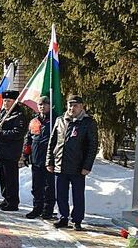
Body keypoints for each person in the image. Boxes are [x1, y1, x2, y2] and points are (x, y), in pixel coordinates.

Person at [46, 95, 99, 231]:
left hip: (78, 167)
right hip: (60, 164)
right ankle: (63, 217)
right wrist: (49, 161)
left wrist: (87, 166)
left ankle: (77, 220)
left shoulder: (88, 123)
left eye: (75, 106)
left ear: (81, 107)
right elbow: (52, 143)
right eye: (70, 105)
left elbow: (92, 146)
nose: (72, 108)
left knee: (78, 196)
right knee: (61, 195)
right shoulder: (60, 120)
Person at [0, 90, 28, 211]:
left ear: (14, 101)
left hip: (11, 152)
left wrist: (1, 132)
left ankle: (12, 202)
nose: (6, 103)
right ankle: (5, 198)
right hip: (2, 150)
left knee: (11, 178)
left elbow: (18, 133)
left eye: (9, 101)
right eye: (5, 101)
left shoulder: (18, 115)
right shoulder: (4, 113)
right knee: (3, 177)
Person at [23, 96, 57, 219]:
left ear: (50, 105)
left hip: (49, 159)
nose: (42, 106)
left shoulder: (55, 120)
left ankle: (48, 210)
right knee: (36, 186)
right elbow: (28, 138)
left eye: (45, 104)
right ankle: (37, 208)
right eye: (40, 104)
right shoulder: (34, 121)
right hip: (36, 157)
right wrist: (26, 153)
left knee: (49, 186)